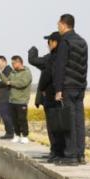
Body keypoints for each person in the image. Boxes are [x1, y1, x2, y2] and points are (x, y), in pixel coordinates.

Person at [53, 14, 88, 166]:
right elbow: (84, 65)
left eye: (58, 24)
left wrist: (58, 89)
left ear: (63, 24)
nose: (57, 26)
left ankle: (70, 155)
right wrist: (83, 85)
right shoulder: (82, 41)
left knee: (69, 121)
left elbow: (60, 67)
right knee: (79, 121)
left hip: (67, 86)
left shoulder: (65, 42)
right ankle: (80, 154)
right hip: (80, 86)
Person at [28, 32, 65, 161]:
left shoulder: (51, 58)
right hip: (60, 96)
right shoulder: (63, 57)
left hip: (51, 97)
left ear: (54, 43)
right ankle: (56, 151)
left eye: (49, 42)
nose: (48, 45)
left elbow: (33, 60)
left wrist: (33, 51)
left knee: (53, 127)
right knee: (59, 126)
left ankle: (56, 152)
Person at [0, 56, 32, 143]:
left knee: (22, 119)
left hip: (22, 100)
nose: (12, 65)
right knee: (14, 119)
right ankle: (17, 135)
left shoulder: (26, 72)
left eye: (13, 63)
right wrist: (1, 73)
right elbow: (7, 81)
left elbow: (22, 83)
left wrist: (11, 83)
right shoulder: (13, 73)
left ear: (19, 62)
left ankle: (25, 136)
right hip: (12, 100)